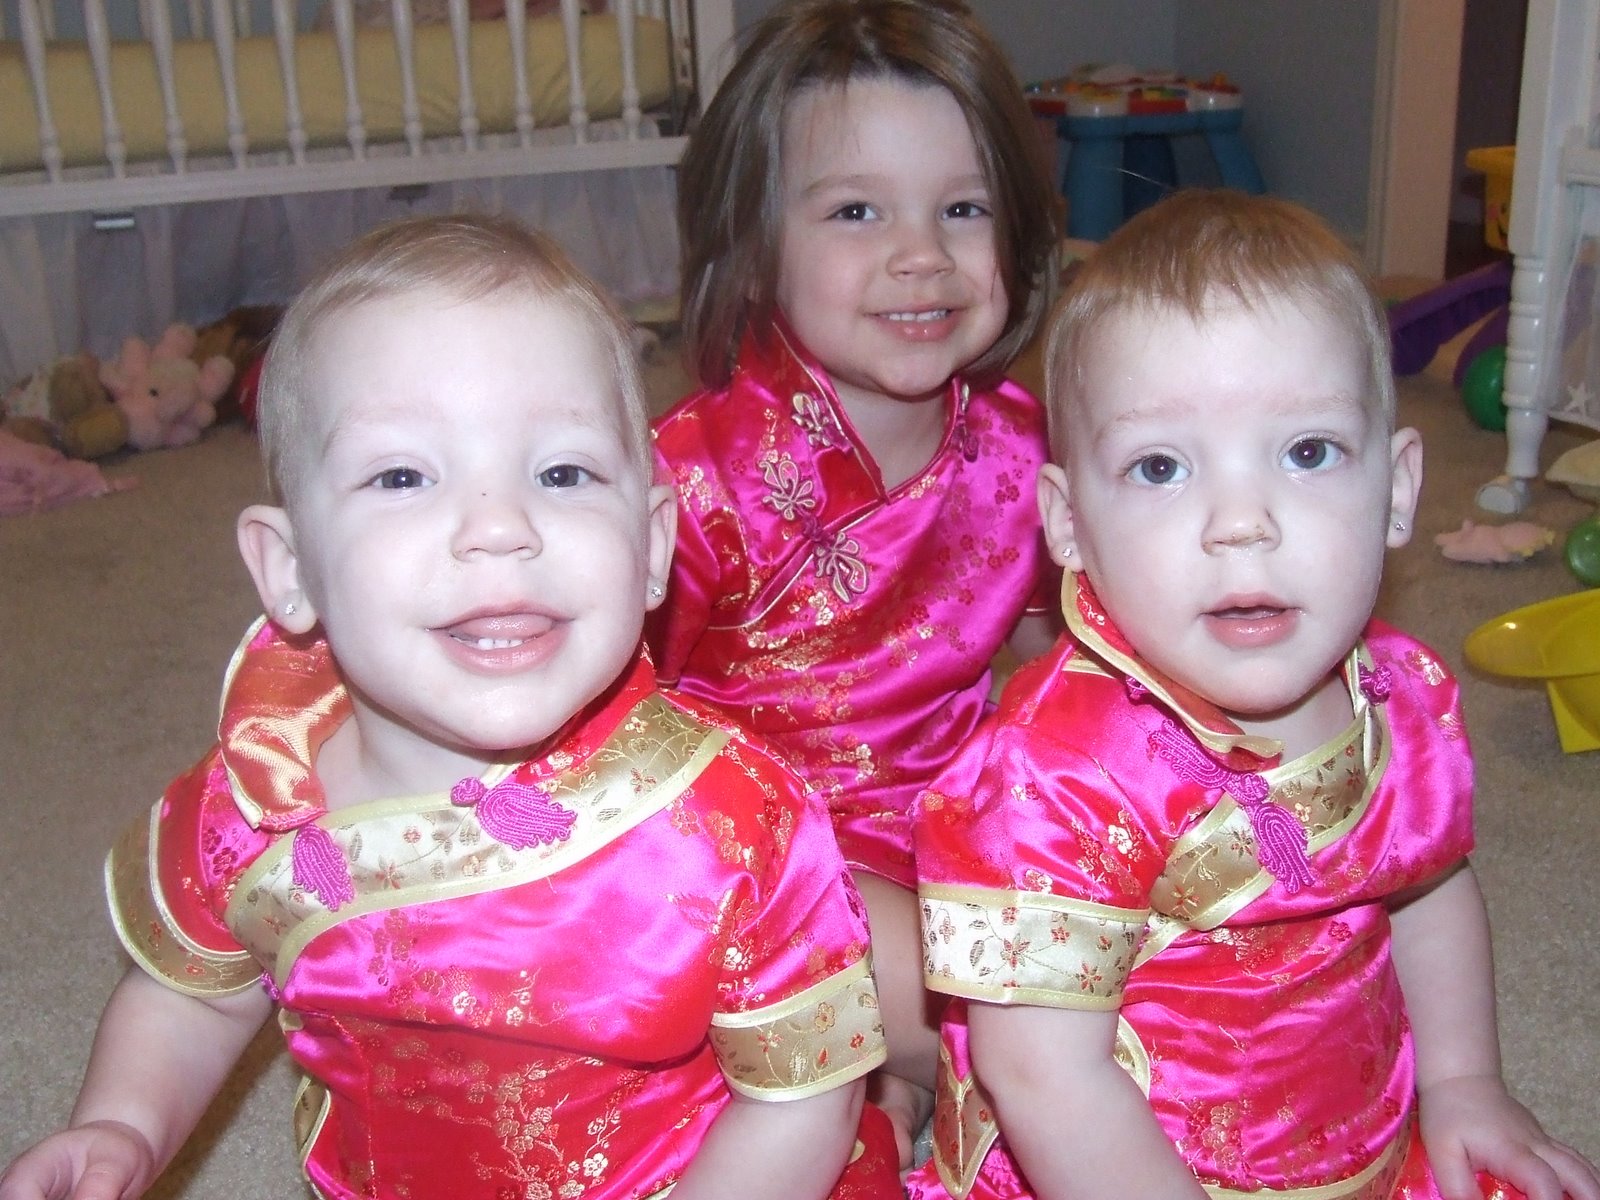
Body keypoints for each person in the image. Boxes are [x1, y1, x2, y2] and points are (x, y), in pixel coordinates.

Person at [0, 214, 904, 1200]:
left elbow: (802, 1096)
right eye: (402, 475)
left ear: (651, 547)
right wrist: (122, 1125)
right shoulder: (250, 811)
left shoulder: (731, 820)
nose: (498, 527)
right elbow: (194, 998)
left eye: (561, 472)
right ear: (290, 568)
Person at [905, 190, 1600, 1200]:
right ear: (1067, 524)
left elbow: (1428, 883)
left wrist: (1464, 1084)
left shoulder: (1397, 695)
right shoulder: (1054, 779)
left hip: (1360, 1137)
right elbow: (1045, 1078)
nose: (1241, 521)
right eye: (1159, 466)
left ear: (1398, 489)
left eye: (1306, 452)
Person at [649, 0, 1061, 1163]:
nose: (920, 253)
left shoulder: (1025, 448)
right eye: (855, 210)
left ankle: (877, 1083)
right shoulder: (694, 479)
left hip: (955, 823)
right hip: (762, 855)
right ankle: (893, 1068)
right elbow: (602, 728)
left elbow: (1065, 662)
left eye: (963, 209)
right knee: (1027, 1008)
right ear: (752, 246)